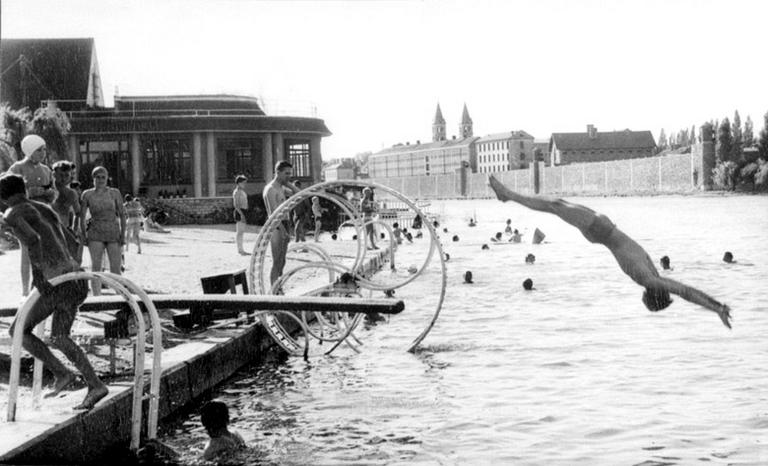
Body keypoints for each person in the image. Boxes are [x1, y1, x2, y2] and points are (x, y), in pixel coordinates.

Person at [489, 175, 732, 328]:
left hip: (598, 230)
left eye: (667, 293)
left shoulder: (647, 278)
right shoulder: (652, 276)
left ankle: (507, 195)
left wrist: (718, 308)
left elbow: (686, 292)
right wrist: (716, 306)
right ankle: (507, 195)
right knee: (557, 203)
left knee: (554, 207)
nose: (671, 290)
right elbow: (686, 292)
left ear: (658, 293)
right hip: (601, 227)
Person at [0, 173, 108, 410]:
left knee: (18, 330)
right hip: (76, 277)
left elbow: (33, 239)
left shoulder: (12, 213)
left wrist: (38, 275)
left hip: (56, 283)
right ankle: (95, 384)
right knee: (60, 336)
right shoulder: (44, 208)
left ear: (3, 197)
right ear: (24, 190)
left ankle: (62, 374)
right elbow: (70, 239)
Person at [9, 135, 57, 296]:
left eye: (44, 149)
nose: (43, 153)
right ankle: (25, 292)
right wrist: (29, 192)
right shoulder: (17, 168)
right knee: (27, 252)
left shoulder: (46, 170)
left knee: (45, 252)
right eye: (38, 150)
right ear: (29, 150)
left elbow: (54, 191)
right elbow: (6, 191)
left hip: (42, 214)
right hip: (24, 215)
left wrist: (51, 193)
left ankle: (42, 289)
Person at [80, 166, 126, 296]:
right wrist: (83, 235)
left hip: (113, 231)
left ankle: (119, 297)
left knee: (115, 268)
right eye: (97, 177)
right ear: (93, 179)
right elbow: (82, 217)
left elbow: (122, 215)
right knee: (96, 267)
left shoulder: (114, 193)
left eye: (103, 177)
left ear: (107, 178)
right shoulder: (87, 194)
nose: (100, 180)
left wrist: (123, 235)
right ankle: (97, 297)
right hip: (95, 232)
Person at [263, 161, 299, 286]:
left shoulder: (282, 187)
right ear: (277, 172)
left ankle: (279, 287)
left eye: (290, 173)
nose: (289, 176)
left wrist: (289, 183)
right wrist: (283, 230)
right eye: (286, 173)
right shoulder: (271, 189)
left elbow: (299, 195)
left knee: (282, 261)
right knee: (277, 260)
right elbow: (273, 214)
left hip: (285, 223)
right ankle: (274, 289)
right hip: (277, 226)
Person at [50, 161, 82, 263]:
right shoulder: (47, 190)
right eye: (60, 175)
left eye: (66, 175)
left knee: (74, 257)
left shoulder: (71, 193)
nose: (63, 178)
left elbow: (78, 213)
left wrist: (75, 230)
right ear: (54, 174)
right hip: (48, 229)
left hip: (63, 229)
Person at [232, 175, 249, 255]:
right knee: (240, 231)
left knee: (242, 231)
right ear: (238, 183)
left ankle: (241, 248)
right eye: (243, 183)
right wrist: (241, 214)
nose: (244, 184)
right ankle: (240, 249)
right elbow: (236, 205)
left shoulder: (242, 191)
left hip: (244, 211)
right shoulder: (237, 192)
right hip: (240, 211)